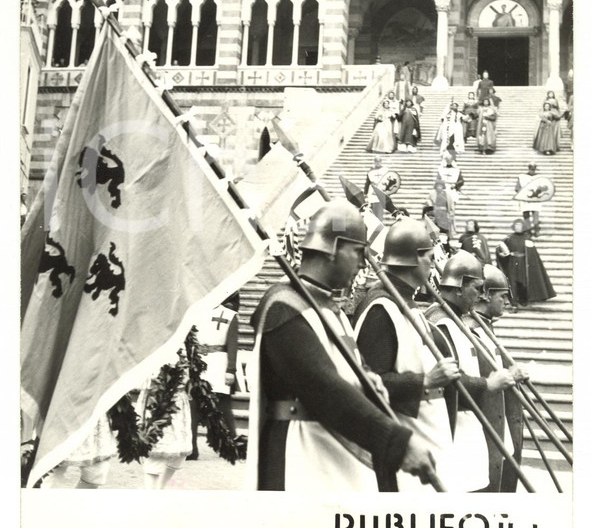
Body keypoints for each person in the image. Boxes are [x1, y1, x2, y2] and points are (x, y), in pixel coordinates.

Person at [246, 199, 437, 492]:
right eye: (358, 252)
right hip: (302, 456)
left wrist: (369, 378)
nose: (363, 264)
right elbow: (325, 389)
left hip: (336, 455)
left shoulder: (331, 308)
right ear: (333, 248)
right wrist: (398, 443)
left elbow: (352, 372)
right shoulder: (284, 307)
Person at [354, 218, 462, 491]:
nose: (434, 263)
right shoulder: (380, 307)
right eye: (428, 255)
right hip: (407, 450)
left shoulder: (408, 304)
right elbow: (367, 384)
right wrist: (424, 381)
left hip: (430, 438)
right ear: (413, 259)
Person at [425, 252, 517, 492]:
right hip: (455, 428)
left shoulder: (456, 320)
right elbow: (451, 379)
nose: (478, 297)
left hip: (469, 426)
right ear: (458, 288)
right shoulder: (440, 322)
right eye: (476, 289)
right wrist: (487, 384)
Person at [470, 265, 527, 492]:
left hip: (500, 425)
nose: (507, 302)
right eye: (502, 296)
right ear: (485, 294)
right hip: (484, 429)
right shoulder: (470, 328)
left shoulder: (485, 327)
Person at [188, 293, 240, 460]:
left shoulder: (230, 315)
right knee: (193, 406)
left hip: (219, 363)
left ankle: (233, 446)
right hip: (198, 363)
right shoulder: (195, 312)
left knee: (223, 406)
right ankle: (191, 448)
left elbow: (233, 344)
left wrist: (231, 369)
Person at [136, 348, 193, 489]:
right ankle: (150, 495)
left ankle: (160, 489)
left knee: (179, 454)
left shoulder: (183, 341)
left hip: (178, 400)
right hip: (155, 399)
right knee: (156, 450)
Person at [41, 413, 116, 489]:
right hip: (61, 416)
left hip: (94, 419)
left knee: (97, 474)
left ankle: (76, 500)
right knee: (52, 476)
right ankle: (47, 499)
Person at [496, 219, 556, 308]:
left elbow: (532, 254)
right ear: (513, 226)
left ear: (523, 227)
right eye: (516, 225)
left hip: (523, 263)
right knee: (512, 282)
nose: (518, 227)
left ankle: (523, 299)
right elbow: (500, 249)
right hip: (512, 263)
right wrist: (501, 253)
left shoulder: (527, 238)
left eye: (520, 225)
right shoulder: (508, 238)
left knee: (523, 283)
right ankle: (514, 303)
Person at [364, 156, 400, 220]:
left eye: (378, 161)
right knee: (373, 208)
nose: (377, 163)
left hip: (382, 190)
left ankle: (380, 222)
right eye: (376, 162)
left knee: (380, 208)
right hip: (373, 191)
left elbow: (388, 180)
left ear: (381, 162)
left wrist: (389, 192)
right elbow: (367, 182)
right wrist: (365, 193)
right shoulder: (371, 171)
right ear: (374, 162)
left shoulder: (385, 170)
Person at [515, 162, 543, 237]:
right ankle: (528, 231)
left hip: (535, 198)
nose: (532, 171)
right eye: (531, 169)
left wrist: (537, 192)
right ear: (529, 169)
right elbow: (517, 188)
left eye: (533, 169)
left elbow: (542, 188)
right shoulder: (522, 177)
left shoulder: (539, 177)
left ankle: (536, 230)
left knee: (535, 215)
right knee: (526, 215)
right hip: (525, 199)